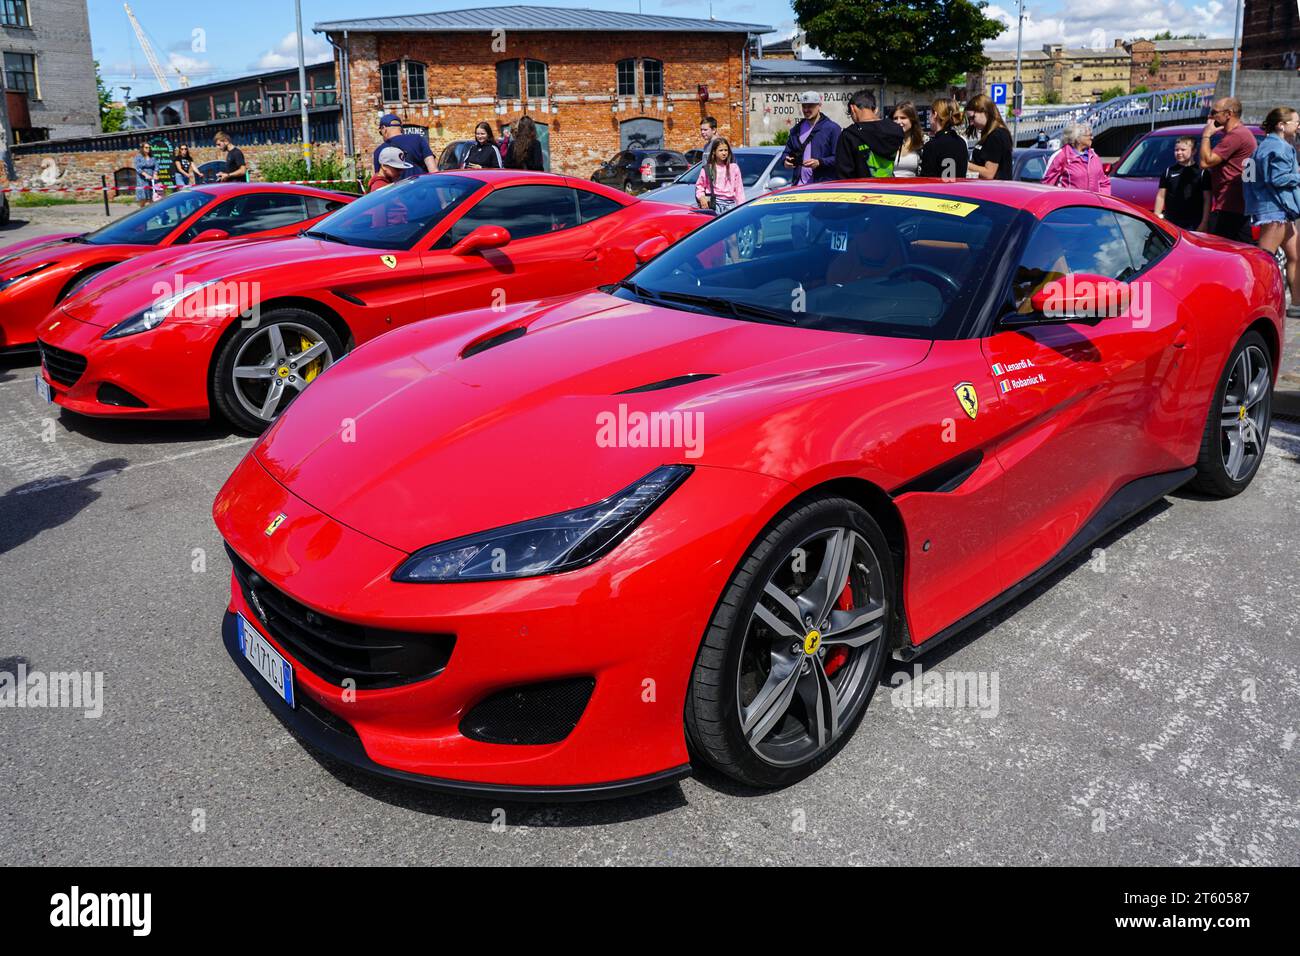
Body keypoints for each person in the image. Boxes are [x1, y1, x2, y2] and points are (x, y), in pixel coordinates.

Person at [1245, 106, 1300, 308]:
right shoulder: (1279, 147)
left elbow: (1247, 176)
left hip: (1278, 210)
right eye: (1295, 122)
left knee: (1295, 256)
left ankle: (1296, 303)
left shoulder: (1263, 146)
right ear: (1281, 125)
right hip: (1274, 211)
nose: (1298, 126)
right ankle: (1257, 305)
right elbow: (1277, 178)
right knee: (1265, 262)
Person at [1200, 96, 1256, 242]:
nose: (1211, 116)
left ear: (1228, 114)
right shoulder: (1240, 133)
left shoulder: (1236, 135)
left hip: (1229, 205)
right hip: (1236, 204)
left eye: (1214, 112)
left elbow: (1206, 162)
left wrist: (1206, 135)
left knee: (1218, 250)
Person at [831, 89, 899, 179]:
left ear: (853, 108)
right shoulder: (896, 129)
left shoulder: (849, 135)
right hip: (891, 189)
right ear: (875, 109)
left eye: (850, 115)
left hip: (862, 190)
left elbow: (844, 174)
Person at [1154, 135, 1211, 231]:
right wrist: (1156, 218)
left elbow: (1207, 199)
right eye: (1176, 150)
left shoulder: (1202, 173)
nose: (1179, 153)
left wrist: (1204, 222)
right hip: (1171, 222)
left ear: (1193, 151)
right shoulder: (1169, 171)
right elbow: (1161, 196)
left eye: (1183, 150)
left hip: (1194, 223)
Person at [783, 91, 841, 184]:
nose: (806, 110)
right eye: (804, 106)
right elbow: (786, 152)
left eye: (810, 106)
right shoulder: (795, 129)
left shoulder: (832, 128)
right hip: (798, 186)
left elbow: (839, 158)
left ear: (819, 105)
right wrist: (785, 161)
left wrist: (820, 162)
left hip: (822, 187)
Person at [1041, 123, 1111, 193]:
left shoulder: (1094, 156)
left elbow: (1104, 183)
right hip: (1070, 203)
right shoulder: (1061, 155)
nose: (1092, 137)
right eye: (1089, 135)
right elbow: (1047, 184)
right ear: (1077, 138)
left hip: (1093, 202)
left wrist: (1104, 199)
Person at [372, 114, 436, 181]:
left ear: (384, 129)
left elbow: (379, 179)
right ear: (401, 129)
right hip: (422, 187)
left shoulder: (379, 151)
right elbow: (433, 169)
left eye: (380, 133)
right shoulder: (418, 139)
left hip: (398, 190)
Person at [966, 94, 1013, 180]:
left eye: (973, 118)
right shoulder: (992, 134)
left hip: (995, 190)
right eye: (969, 119)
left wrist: (965, 164)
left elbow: (989, 173)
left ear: (986, 112)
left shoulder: (996, 135)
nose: (971, 123)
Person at [919, 98, 968, 180]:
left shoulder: (932, 145)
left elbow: (927, 179)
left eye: (930, 114)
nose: (929, 117)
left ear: (935, 114)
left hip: (938, 191)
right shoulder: (961, 142)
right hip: (956, 191)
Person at [696, 136, 744, 213]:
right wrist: (701, 197)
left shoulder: (734, 167)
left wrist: (741, 208)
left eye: (726, 150)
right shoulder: (708, 168)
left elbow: (739, 190)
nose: (724, 153)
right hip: (713, 205)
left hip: (730, 205)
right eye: (721, 150)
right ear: (714, 152)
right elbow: (700, 186)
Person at [891, 101, 924, 178]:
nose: (898, 122)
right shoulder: (887, 141)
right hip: (890, 188)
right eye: (895, 118)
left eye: (903, 118)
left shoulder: (922, 142)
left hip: (913, 188)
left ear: (912, 120)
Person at [133, 143, 158, 208]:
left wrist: (155, 173)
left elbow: (156, 166)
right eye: (146, 147)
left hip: (152, 179)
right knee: (143, 197)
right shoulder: (138, 157)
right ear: (142, 148)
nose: (148, 149)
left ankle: (152, 211)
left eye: (149, 147)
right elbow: (137, 168)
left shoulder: (152, 157)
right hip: (142, 179)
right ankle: (141, 210)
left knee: (152, 196)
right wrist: (145, 175)